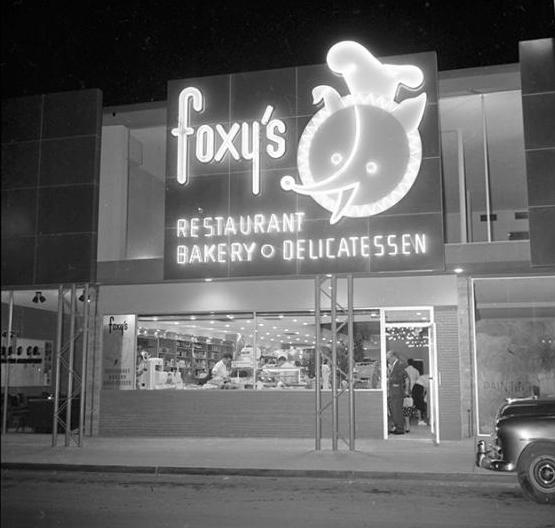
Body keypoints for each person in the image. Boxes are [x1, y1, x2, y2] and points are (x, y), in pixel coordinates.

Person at [386, 350, 409, 435]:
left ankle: (399, 428)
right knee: (394, 410)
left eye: (388, 359)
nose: (388, 361)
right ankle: (397, 427)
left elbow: (405, 378)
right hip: (394, 391)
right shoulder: (394, 365)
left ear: (393, 357)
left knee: (397, 410)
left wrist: (406, 390)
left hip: (397, 391)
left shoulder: (399, 365)